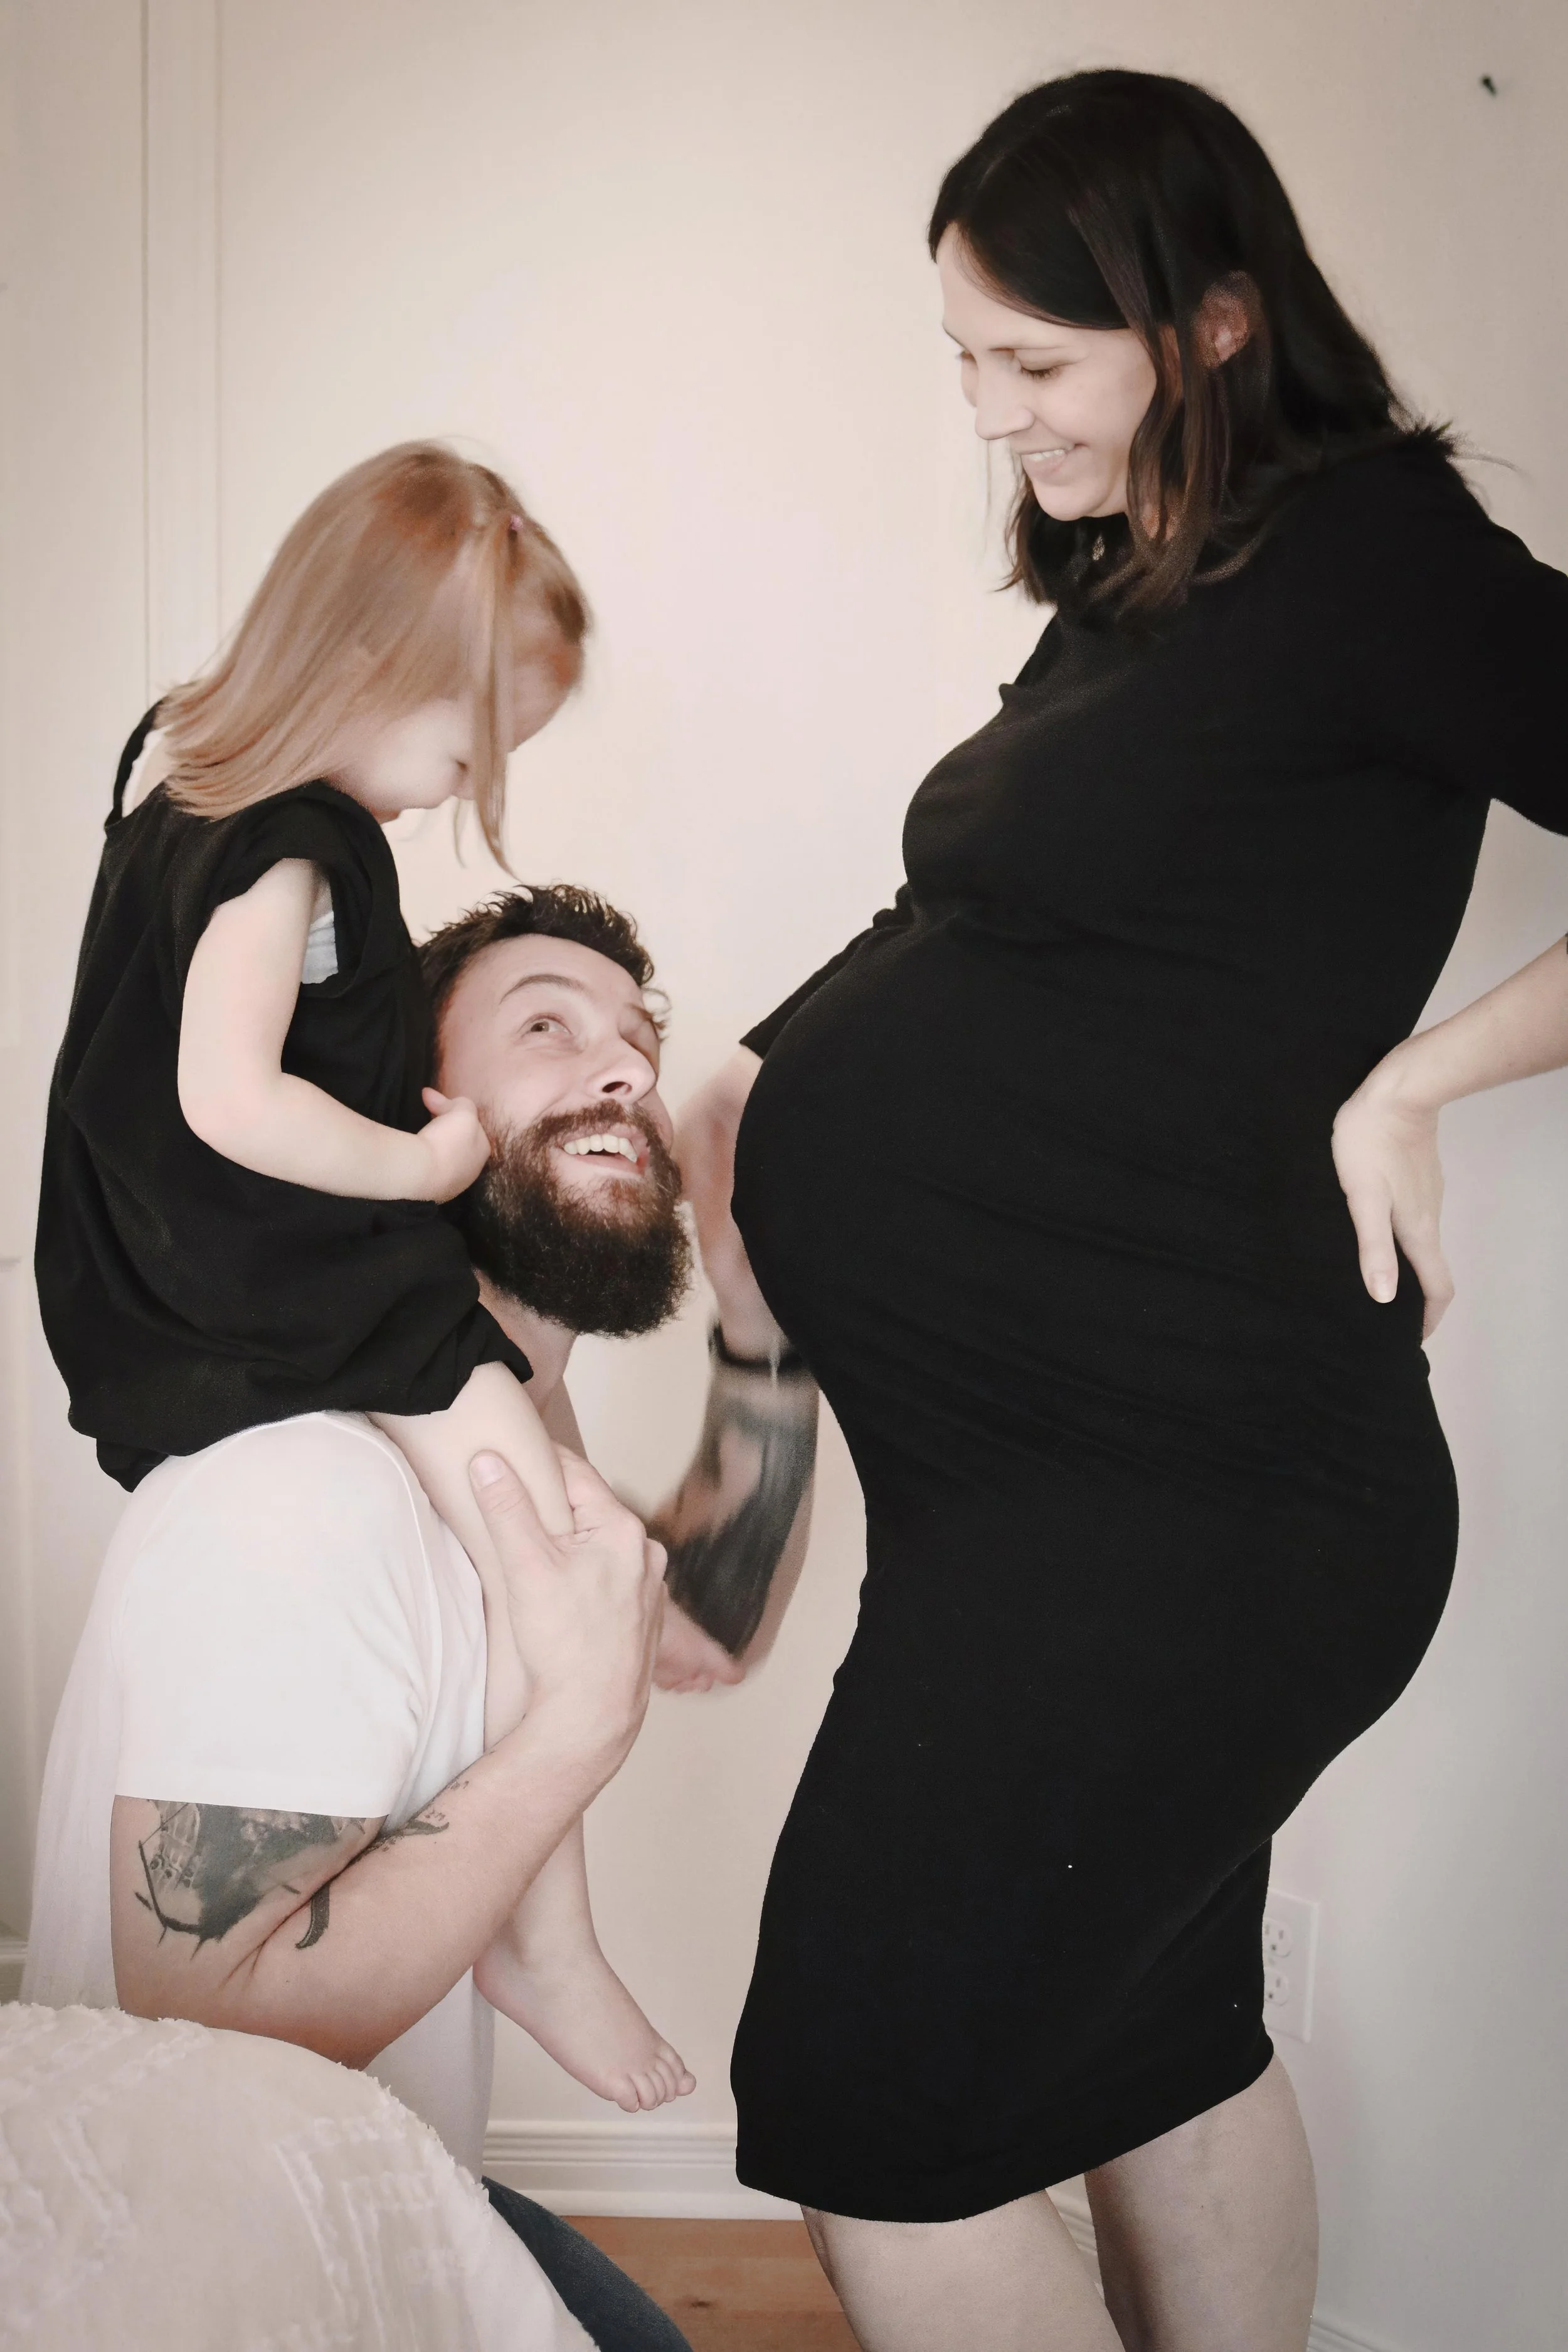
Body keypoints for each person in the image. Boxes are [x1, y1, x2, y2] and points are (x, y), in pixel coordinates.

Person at [672, 68, 1568, 2352]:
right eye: (965, 361)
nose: (994, 418)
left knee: (867, 2107)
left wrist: (1419, 1078)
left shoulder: (1377, 549)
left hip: (1201, 1494)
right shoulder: (1146, 585)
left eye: (1034, 365)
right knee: (1162, 2050)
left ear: (1218, 321)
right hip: (1046, 1501)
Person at [33, 443, 691, 2111]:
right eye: (473, 745)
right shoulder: (294, 843)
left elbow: (709, 1620)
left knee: (563, 1535)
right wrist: (413, 1165)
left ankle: (539, 1931)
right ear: (369, 669)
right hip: (278, 1265)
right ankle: (544, 1941)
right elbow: (224, 1093)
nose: (446, 788)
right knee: (561, 1554)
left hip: (217, 1271)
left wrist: (755, 1320)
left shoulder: (186, 791)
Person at [23, 882, 724, 2352]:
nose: (629, 1071)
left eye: (639, 1043)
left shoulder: (513, 1474)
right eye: (548, 1025)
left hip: (379, 2192)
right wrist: (580, 1732)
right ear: (400, 1102)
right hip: (225, 2270)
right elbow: (210, 2025)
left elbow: (693, 1618)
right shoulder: (304, 1496)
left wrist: (769, 1339)